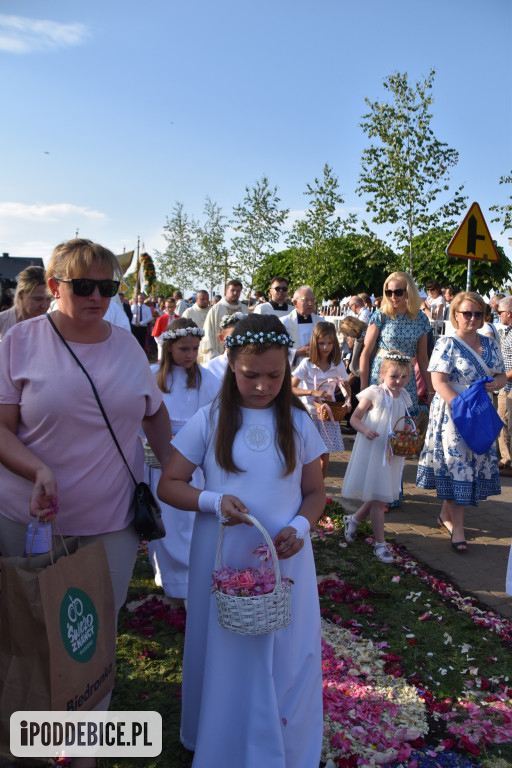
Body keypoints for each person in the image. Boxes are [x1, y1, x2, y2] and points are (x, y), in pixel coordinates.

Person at [0, 238, 172, 717]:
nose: (98, 296)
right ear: (55, 286)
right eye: (84, 286)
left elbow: (153, 414)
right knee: (31, 628)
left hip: (111, 519)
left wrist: (179, 468)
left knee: (93, 635)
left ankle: (85, 741)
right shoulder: (16, 343)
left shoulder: (128, 347)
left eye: (108, 287)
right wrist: (37, 469)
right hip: (29, 519)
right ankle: (30, 731)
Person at [157, 313, 326, 768]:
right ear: (230, 364)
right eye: (251, 375)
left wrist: (303, 527)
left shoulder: (297, 422)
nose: (262, 386)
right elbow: (169, 483)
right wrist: (212, 501)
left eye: (275, 375)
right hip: (223, 553)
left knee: (287, 649)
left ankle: (284, 738)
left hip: (285, 554)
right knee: (226, 643)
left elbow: (315, 493)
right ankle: (220, 735)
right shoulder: (210, 418)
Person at [416, 291, 506, 552]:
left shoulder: (491, 343)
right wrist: (460, 406)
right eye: (467, 313)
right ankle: (458, 528)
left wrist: (495, 383)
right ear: (455, 315)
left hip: (480, 411)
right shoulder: (447, 343)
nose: (473, 318)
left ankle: (445, 516)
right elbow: (438, 381)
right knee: (458, 467)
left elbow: (501, 376)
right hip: (453, 413)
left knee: (470, 467)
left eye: (478, 314)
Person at [145, 319, 218, 602]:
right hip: (161, 457)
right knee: (167, 521)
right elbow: (144, 416)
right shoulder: (153, 377)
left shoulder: (207, 378)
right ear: (169, 347)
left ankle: (192, 578)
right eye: (183, 348)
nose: (190, 354)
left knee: (190, 521)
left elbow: (218, 413)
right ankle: (169, 578)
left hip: (194, 462)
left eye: (195, 348)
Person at [342, 351, 413, 563]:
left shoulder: (404, 396)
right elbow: (354, 419)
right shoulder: (374, 393)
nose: (399, 381)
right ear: (382, 373)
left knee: (378, 492)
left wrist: (407, 428)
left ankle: (353, 520)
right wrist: (364, 430)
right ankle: (380, 544)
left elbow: (401, 421)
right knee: (379, 499)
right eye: (394, 376)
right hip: (374, 450)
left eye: (403, 377)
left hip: (391, 453)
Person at [359, 271, 433, 417]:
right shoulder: (381, 315)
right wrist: (363, 388)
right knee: (379, 421)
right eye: (389, 292)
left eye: (398, 292)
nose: (393, 297)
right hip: (381, 376)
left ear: (408, 293)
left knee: (403, 424)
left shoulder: (421, 319)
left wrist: (431, 390)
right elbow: (365, 353)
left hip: (406, 378)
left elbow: (423, 358)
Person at [291, 321, 351, 477]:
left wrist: (348, 401)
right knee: (307, 454)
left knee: (325, 454)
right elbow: (291, 388)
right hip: (309, 413)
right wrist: (312, 392)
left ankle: (321, 487)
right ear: (314, 343)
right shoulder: (307, 363)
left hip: (328, 415)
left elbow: (346, 385)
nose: (325, 347)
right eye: (321, 343)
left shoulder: (337, 365)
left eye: (330, 343)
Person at [200, 280, 249, 360]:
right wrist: (213, 353)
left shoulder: (244, 309)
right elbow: (208, 331)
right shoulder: (216, 308)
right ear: (226, 291)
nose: (235, 293)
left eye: (238, 291)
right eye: (232, 290)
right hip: (219, 353)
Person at [0, 265, 51, 340]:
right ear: (21, 295)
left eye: (48, 299)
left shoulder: (52, 326)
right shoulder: (3, 321)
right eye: (38, 299)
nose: (44, 305)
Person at [281, 285, 321, 365]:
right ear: (295, 303)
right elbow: (277, 350)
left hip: (316, 368)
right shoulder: (283, 323)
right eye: (306, 300)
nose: (310, 303)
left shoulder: (321, 322)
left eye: (312, 300)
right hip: (293, 371)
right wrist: (297, 352)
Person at [201, 312, 244, 383]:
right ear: (221, 338)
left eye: (243, 336)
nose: (239, 341)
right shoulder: (210, 369)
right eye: (233, 337)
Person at [496, 297, 512, 476]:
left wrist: (502, 378)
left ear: (508, 313)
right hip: (505, 386)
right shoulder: (508, 331)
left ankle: (509, 461)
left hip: (508, 385)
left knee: (508, 424)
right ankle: (506, 458)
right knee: (502, 423)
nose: (497, 315)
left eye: (499, 312)